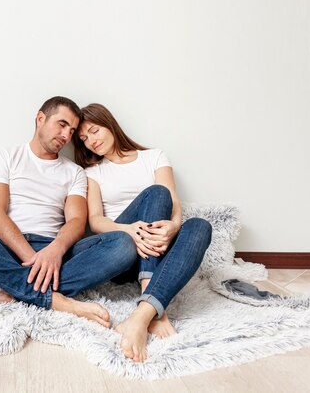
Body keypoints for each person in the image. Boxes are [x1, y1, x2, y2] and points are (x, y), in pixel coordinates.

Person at [0, 96, 137, 327]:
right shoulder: (4, 156)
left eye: (72, 131)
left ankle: (14, 291)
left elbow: (76, 220)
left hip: (55, 251)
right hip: (4, 252)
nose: (66, 136)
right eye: (62, 124)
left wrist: (54, 251)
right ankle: (57, 300)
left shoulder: (74, 172)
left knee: (123, 244)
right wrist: (35, 261)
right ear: (40, 118)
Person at [74, 103, 212, 363]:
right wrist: (128, 229)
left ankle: (141, 315)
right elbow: (95, 221)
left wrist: (173, 227)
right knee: (155, 193)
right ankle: (155, 309)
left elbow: (174, 202)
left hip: (158, 244)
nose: (91, 141)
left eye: (94, 131)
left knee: (200, 226)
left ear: (109, 124)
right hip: (123, 249)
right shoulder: (93, 172)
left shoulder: (154, 157)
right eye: (83, 139)